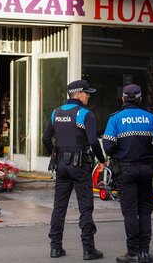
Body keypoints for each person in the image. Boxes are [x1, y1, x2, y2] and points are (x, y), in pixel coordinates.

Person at [102, 84, 153, 263]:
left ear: (123, 99)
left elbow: (108, 145)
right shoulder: (151, 118)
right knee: (145, 211)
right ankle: (145, 253)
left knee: (130, 212)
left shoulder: (116, 119)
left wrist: (120, 153)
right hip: (147, 170)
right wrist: (148, 152)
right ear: (140, 99)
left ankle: (132, 253)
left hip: (125, 170)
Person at [42, 79, 106, 260]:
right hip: (80, 166)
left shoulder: (56, 113)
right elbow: (93, 141)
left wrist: (53, 154)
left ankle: (55, 248)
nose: (88, 96)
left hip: (62, 165)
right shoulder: (85, 114)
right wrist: (101, 161)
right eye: (87, 93)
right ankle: (88, 249)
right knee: (85, 207)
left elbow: (46, 139)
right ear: (78, 93)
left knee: (59, 207)